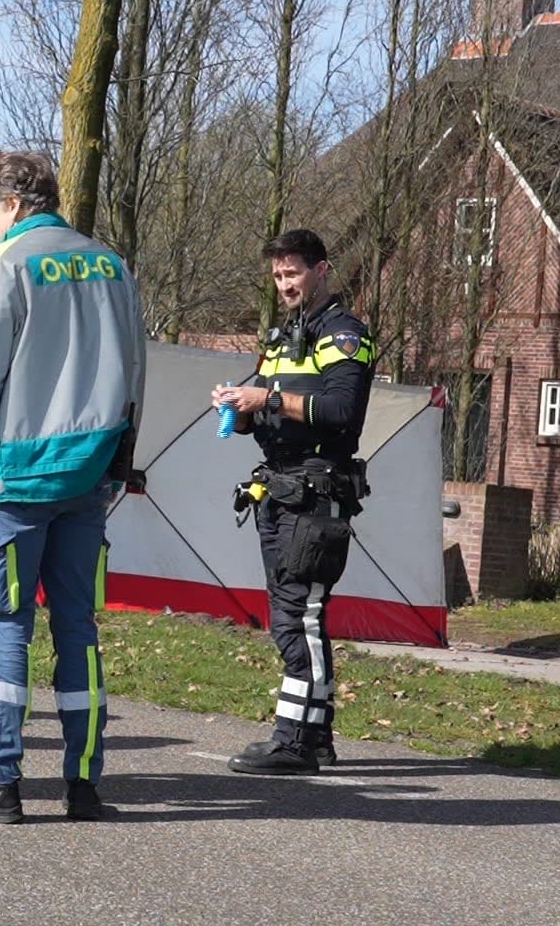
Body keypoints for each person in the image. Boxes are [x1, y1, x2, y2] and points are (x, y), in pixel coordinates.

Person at [0, 150, 146, 825]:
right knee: (79, 629)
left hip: (15, 479)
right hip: (90, 474)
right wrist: (118, 463)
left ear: (13, 204)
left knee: (6, 629)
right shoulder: (112, 266)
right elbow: (135, 373)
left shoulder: (1, 267)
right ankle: (84, 783)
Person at [214, 228, 373, 776]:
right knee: (299, 614)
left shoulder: (345, 334)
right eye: (278, 275)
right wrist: (239, 408)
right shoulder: (283, 337)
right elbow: (262, 410)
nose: (284, 284)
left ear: (321, 270)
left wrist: (268, 396)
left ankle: (293, 742)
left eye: (293, 274)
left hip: (316, 493)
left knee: (296, 616)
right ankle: (316, 736)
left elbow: (341, 412)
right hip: (279, 489)